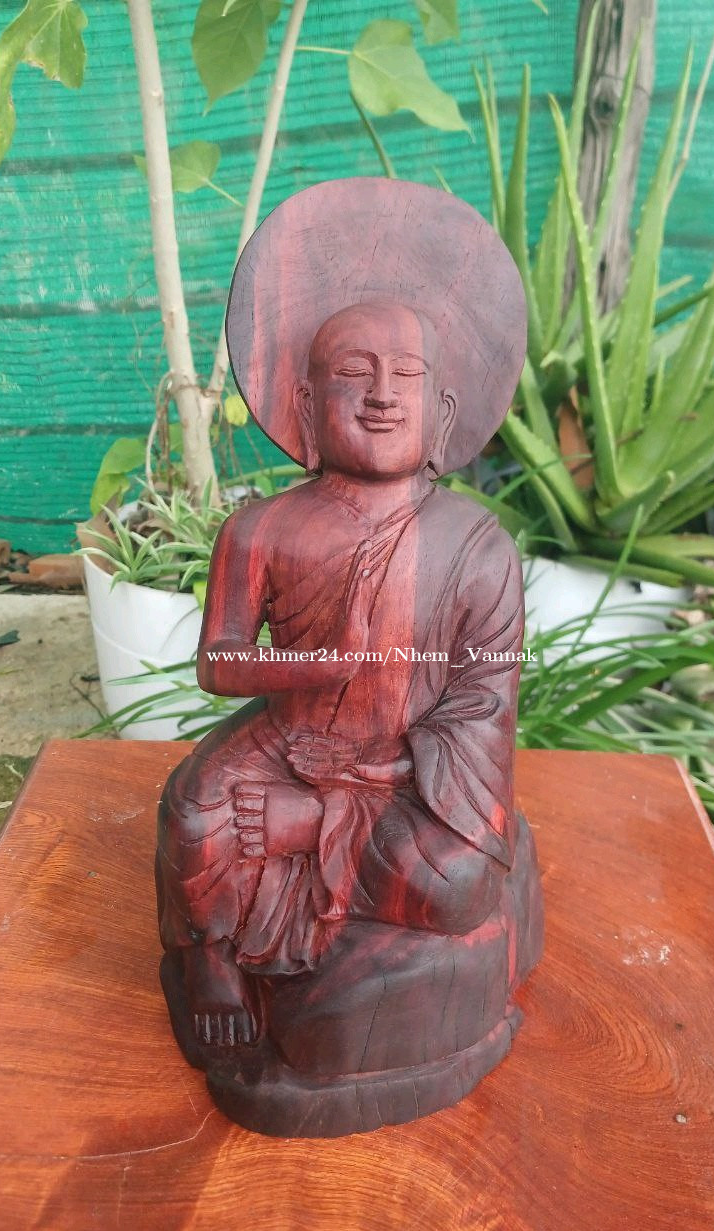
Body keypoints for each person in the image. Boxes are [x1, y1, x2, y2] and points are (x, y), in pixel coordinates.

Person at [156, 298, 533, 1051]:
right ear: (305, 404)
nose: (382, 395)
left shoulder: (479, 546)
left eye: (406, 375)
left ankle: (310, 829)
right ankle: (210, 961)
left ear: (442, 410)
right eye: (355, 374)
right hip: (287, 739)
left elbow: (484, 701)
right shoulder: (259, 529)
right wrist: (318, 665)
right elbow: (218, 662)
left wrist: (373, 776)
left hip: (408, 766)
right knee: (193, 813)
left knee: (459, 882)